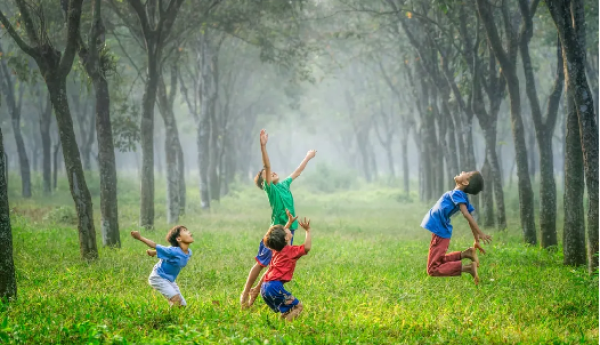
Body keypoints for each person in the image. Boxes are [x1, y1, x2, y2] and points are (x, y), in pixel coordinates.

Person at [240, 129, 316, 309]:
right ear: (264, 181)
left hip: (289, 230)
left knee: (278, 263)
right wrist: (263, 146)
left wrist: (307, 157)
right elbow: (267, 165)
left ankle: (259, 289)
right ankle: (246, 292)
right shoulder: (271, 190)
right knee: (261, 263)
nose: (272, 173)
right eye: (267, 174)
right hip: (276, 233)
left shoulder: (283, 185)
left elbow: (297, 172)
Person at [421, 171, 492, 284]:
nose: (463, 172)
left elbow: (466, 215)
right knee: (439, 261)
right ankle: (466, 254)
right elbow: (469, 217)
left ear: (465, 182)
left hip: (440, 231)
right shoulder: (459, 195)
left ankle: (468, 268)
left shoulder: (458, 194)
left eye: (466, 173)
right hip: (439, 230)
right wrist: (476, 239)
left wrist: (480, 233)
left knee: (433, 269)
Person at [261, 210, 312, 321]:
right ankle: (285, 329)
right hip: (274, 287)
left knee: (289, 309)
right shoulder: (291, 252)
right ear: (286, 238)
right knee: (298, 307)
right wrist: (308, 231)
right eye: (287, 230)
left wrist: (288, 223)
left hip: (265, 287)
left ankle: (280, 325)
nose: (288, 229)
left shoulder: (276, 249)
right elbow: (307, 247)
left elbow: (281, 236)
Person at [130, 226, 194, 307]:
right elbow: (155, 245)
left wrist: (153, 253)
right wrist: (140, 237)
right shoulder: (173, 251)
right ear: (178, 239)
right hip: (158, 277)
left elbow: (166, 252)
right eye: (185, 231)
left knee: (182, 305)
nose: (189, 232)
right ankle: (171, 318)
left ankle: (175, 317)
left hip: (169, 280)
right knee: (176, 300)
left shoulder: (188, 252)